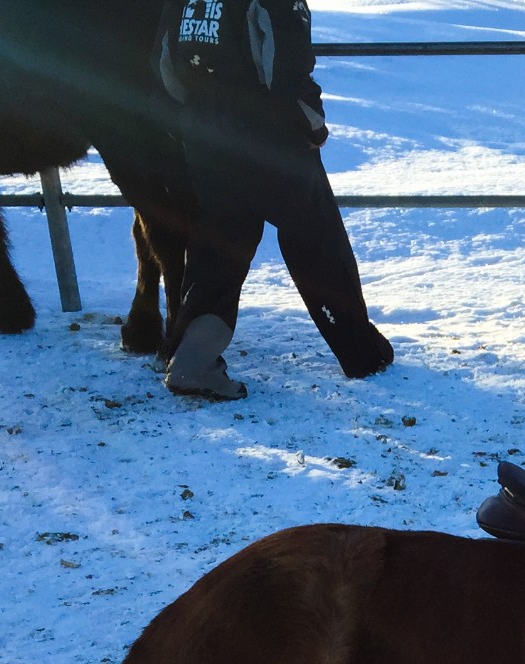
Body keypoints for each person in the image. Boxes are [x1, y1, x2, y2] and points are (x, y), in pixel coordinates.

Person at [160, 0, 393, 400]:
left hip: (206, 137)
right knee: (318, 243)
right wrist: (313, 127)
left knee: (216, 251)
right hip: (271, 141)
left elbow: (166, 68)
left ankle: (192, 362)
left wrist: (193, 120)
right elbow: (287, 69)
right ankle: (362, 353)